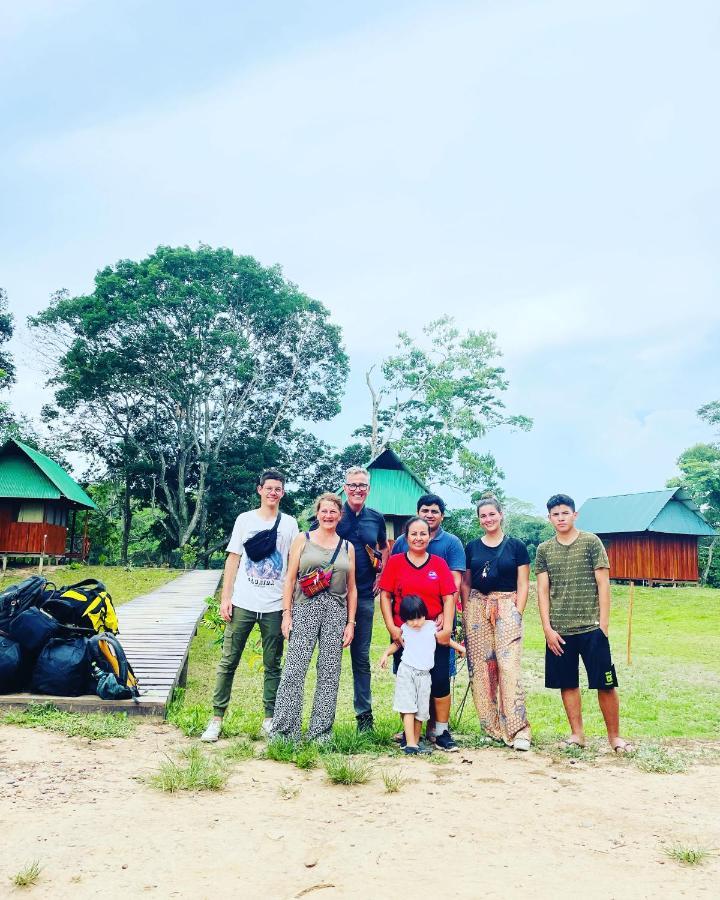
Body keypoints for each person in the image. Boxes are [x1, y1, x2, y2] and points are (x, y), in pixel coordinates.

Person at [201, 470, 299, 742]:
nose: (273, 493)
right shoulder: (245, 519)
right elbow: (233, 559)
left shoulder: (290, 524)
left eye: (278, 489)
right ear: (259, 490)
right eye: (268, 488)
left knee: (273, 664)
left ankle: (270, 719)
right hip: (243, 601)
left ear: (283, 493)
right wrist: (226, 597)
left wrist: (288, 606)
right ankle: (216, 719)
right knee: (228, 661)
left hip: (275, 604)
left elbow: (292, 564)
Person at [535, 493, 633, 752]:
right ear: (549, 518)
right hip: (560, 631)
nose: (560, 518)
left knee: (606, 683)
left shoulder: (591, 542)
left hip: (592, 628)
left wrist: (603, 626)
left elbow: (604, 584)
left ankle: (614, 737)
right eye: (555, 514)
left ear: (574, 515)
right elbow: (542, 591)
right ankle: (577, 734)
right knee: (567, 683)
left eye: (565, 513)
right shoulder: (544, 549)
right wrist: (547, 628)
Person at [270, 492, 357, 742]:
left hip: (335, 611)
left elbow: (352, 588)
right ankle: (285, 730)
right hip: (304, 608)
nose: (328, 516)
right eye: (324, 511)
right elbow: (289, 578)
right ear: (317, 513)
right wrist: (287, 614)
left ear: (340, 516)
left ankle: (321, 732)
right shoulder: (303, 539)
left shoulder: (347, 547)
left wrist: (350, 622)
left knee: (329, 672)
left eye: (333, 512)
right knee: (294, 670)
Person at [391, 493, 465, 746]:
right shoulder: (398, 553)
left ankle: (441, 731)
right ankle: (410, 735)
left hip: (436, 628)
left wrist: (447, 623)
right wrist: (392, 627)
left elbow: (450, 592)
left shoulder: (443, 557)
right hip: (407, 630)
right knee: (408, 681)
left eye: (434, 511)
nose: (419, 537)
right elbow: (386, 593)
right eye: (415, 533)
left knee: (440, 680)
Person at [460, 493, 532, 750]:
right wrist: (467, 611)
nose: (488, 519)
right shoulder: (472, 547)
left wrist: (517, 611)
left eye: (492, 514)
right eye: (483, 516)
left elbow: (523, 582)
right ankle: (491, 728)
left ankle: (517, 730)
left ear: (501, 515)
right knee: (481, 669)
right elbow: (466, 582)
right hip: (478, 605)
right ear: (479, 520)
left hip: (506, 604)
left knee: (508, 665)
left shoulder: (516, 547)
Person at [335, 466, 389, 732]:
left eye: (362, 486)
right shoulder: (333, 514)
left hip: (366, 594)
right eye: (353, 485)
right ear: (345, 488)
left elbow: (383, 547)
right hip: (334, 597)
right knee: (330, 659)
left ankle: (364, 718)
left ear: (368, 490)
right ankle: (323, 719)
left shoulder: (375, 518)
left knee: (361, 657)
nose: (357, 490)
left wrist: (382, 574)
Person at [380, 594, 466, 755]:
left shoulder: (431, 627)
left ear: (425, 614)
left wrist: (460, 649)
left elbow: (446, 641)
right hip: (407, 672)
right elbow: (396, 645)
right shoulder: (405, 628)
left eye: (419, 618)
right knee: (408, 708)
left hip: (424, 675)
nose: (416, 623)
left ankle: (416, 742)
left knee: (421, 711)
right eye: (411, 619)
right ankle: (410, 743)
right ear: (405, 619)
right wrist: (386, 654)